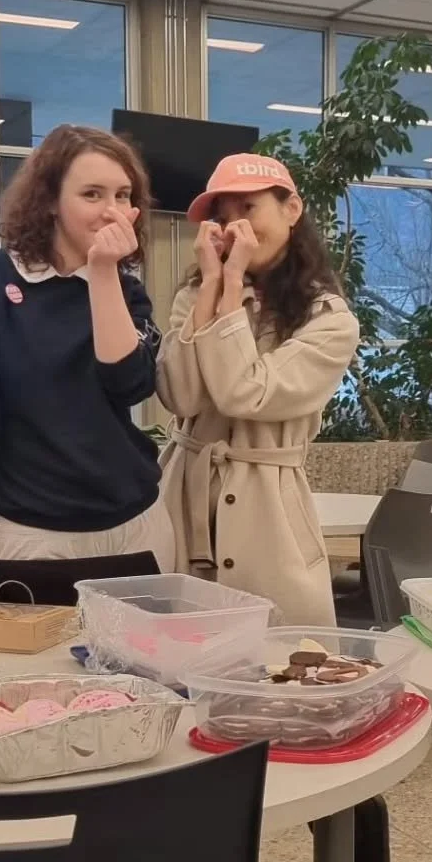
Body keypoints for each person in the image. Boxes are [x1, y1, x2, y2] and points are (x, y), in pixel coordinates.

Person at [0, 124, 173, 569]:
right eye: (92, 194)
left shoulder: (124, 290)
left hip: (138, 525)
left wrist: (102, 273)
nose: (112, 211)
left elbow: (129, 384)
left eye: (123, 195)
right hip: (35, 536)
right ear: (51, 202)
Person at [156, 155, 358, 626]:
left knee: (281, 662)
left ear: (292, 210)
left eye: (249, 208)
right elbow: (181, 397)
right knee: (174, 653)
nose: (235, 227)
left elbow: (244, 394)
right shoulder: (195, 294)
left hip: (269, 508)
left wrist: (227, 285)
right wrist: (212, 285)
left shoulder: (329, 320)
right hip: (183, 497)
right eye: (223, 217)